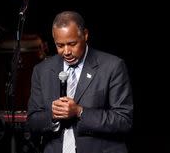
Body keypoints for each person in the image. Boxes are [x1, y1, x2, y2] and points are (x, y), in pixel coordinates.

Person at [27, 10, 133, 153]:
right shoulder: (42, 70)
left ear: (85, 35)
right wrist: (53, 115)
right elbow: (33, 121)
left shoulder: (112, 66)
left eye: (72, 44)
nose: (66, 51)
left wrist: (79, 112)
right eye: (59, 45)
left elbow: (123, 121)